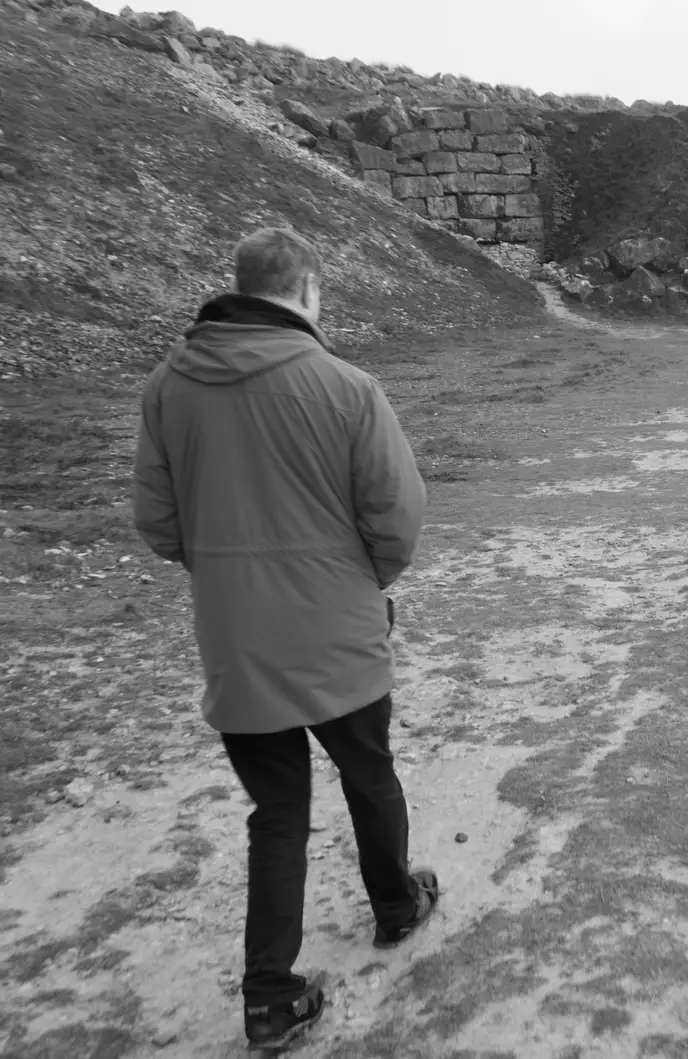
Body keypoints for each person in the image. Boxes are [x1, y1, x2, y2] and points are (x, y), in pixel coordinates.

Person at [134, 227, 437, 1052]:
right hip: (337, 625)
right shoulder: (347, 386)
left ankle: (270, 996)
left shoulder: (168, 388)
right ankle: (395, 906)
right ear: (305, 291)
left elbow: (159, 523)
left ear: (238, 288)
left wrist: (229, 569)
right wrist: (362, 580)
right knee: (369, 773)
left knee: (277, 812)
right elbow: (397, 517)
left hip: (237, 639)